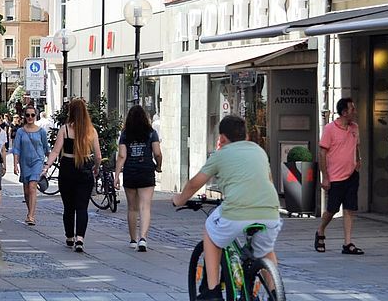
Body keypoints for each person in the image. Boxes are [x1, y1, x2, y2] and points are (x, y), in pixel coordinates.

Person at [172, 115, 281, 301]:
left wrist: (180, 200)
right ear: (246, 135)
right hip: (270, 212)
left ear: (222, 138)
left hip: (236, 211)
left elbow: (195, 183)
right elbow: (268, 180)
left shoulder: (220, 155)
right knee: (265, 250)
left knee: (210, 232)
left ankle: (212, 291)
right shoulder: (259, 151)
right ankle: (275, 294)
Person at [42, 99, 102, 253]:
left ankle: (69, 236)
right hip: (85, 167)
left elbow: (55, 151)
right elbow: (98, 156)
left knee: (68, 206)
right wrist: (95, 167)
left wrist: (47, 166)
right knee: (82, 207)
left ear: (71, 112)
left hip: (67, 168)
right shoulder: (91, 131)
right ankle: (80, 238)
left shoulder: (65, 129)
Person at [315, 97, 363, 255]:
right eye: (352, 109)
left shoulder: (355, 127)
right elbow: (322, 153)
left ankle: (347, 243)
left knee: (350, 209)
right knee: (332, 210)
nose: (354, 112)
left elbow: (356, 146)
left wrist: (358, 159)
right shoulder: (330, 129)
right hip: (335, 177)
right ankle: (321, 230)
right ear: (344, 112)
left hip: (351, 174)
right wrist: (325, 177)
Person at [114, 105, 162, 252]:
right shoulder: (151, 133)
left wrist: (116, 176)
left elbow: (122, 156)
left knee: (132, 208)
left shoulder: (125, 134)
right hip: (146, 171)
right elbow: (157, 153)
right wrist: (158, 166)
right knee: (145, 207)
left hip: (130, 171)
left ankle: (133, 240)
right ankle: (143, 238)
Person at [11, 106, 50, 225]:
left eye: (32, 115)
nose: (30, 117)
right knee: (27, 190)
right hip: (24, 162)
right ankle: (29, 211)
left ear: (36, 116)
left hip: (37, 161)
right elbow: (16, 148)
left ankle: (31, 215)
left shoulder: (41, 131)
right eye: (27, 115)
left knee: (33, 186)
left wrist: (48, 164)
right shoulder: (20, 131)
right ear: (24, 116)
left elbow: (46, 148)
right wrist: (15, 164)